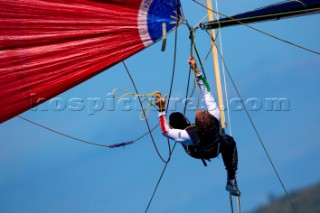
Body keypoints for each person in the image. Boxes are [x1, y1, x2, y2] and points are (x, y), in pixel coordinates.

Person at [155, 56, 241, 196]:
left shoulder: (190, 135)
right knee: (228, 141)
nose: (201, 110)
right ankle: (231, 180)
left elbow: (165, 131)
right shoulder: (215, 115)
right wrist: (196, 69)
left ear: (197, 126)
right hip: (215, 146)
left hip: (196, 150)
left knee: (175, 119)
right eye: (203, 112)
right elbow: (206, 90)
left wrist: (161, 110)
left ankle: (231, 182)